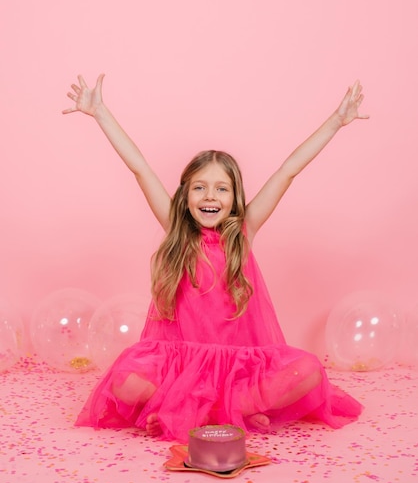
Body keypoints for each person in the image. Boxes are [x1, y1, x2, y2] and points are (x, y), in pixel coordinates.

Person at [63, 74, 368, 442]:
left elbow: (288, 171)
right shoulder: (179, 230)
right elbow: (140, 168)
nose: (211, 196)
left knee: (307, 370)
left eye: (222, 188)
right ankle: (208, 409)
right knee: (125, 377)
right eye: (200, 188)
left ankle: (215, 408)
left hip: (238, 371)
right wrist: (100, 113)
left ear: (235, 197)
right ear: (186, 195)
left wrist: (336, 120)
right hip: (182, 368)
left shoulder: (243, 232)